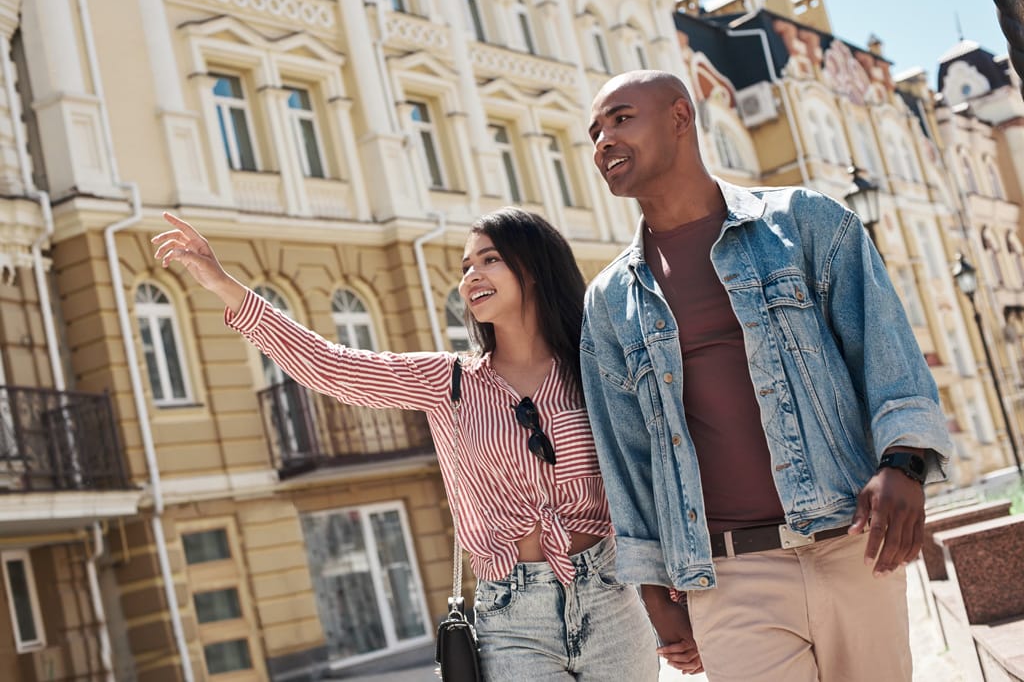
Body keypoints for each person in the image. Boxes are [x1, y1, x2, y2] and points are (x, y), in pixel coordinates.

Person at [152, 208, 660, 681]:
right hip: (514, 618)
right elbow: (334, 368)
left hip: (611, 598)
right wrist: (226, 288)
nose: (471, 277)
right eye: (466, 266)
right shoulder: (449, 381)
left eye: (490, 259)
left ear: (535, 268)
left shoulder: (590, 368)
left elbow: (647, 469)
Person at [580, 69, 953, 681]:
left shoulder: (805, 223)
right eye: (594, 132)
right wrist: (652, 591)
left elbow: (886, 353)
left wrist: (905, 460)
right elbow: (626, 454)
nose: (603, 142)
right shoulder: (610, 300)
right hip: (729, 578)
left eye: (620, 119)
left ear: (680, 116)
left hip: (849, 544)